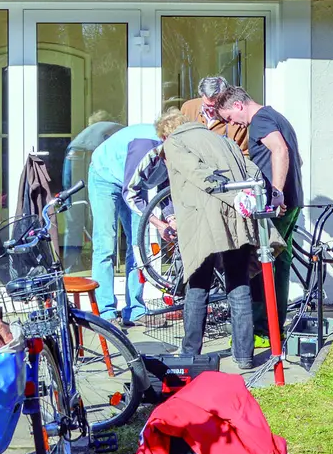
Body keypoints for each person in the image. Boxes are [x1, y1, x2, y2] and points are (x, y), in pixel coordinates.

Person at [161, 114, 259, 368]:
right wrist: (247, 196)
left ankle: (190, 352)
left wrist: (229, 195)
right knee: (238, 285)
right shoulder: (225, 141)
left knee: (198, 286)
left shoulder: (174, 142)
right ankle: (245, 356)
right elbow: (252, 169)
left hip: (203, 223)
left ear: (166, 132)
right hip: (238, 218)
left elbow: (198, 173)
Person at [214, 86, 304, 346]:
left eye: (230, 117)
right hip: (292, 201)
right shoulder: (277, 116)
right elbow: (293, 157)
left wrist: (276, 193)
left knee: (258, 264)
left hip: (277, 206)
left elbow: (280, 151)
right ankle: (274, 328)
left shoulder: (261, 120)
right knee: (280, 266)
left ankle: (260, 331)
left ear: (239, 105)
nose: (233, 124)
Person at [85, 117, 162, 326]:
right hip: (104, 176)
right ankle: (105, 312)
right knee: (106, 244)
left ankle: (135, 310)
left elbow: (167, 188)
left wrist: (171, 217)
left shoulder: (175, 150)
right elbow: (131, 193)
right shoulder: (145, 146)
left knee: (139, 245)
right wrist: (157, 222)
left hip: (135, 181)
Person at [61, 109, 123, 270]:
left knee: (73, 223)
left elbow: (67, 177)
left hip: (77, 186)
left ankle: (70, 264)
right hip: (103, 187)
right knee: (104, 224)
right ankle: (109, 263)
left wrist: (68, 194)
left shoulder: (76, 144)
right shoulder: (111, 143)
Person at [182, 75, 254, 156]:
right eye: (206, 106)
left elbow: (244, 154)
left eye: (215, 106)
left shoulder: (235, 120)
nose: (210, 111)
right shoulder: (188, 108)